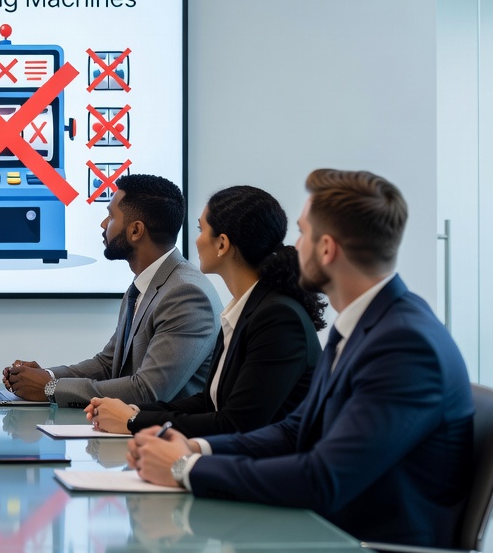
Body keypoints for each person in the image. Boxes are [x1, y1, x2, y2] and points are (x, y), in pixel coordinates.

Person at [129, 169, 474, 553]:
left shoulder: (405, 344)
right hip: (330, 541)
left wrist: (183, 469)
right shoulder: (368, 324)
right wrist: (197, 449)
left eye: (303, 233)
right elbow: (297, 430)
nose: (293, 246)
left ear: (326, 249)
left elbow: (322, 477)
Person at [86, 185, 324, 436]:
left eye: (201, 230)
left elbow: (235, 424)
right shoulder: (245, 310)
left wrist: (134, 421)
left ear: (222, 243)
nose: (196, 240)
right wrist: (133, 412)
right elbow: (210, 402)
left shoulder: (277, 318)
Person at [3, 174, 220, 407]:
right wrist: (47, 376)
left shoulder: (186, 294)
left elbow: (148, 390)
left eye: (110, 216)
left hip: (168, 439)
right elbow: (108, 365)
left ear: (136, 230)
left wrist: (49, 388)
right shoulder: (144, 285)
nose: (104, 224)